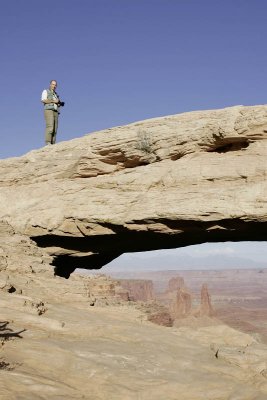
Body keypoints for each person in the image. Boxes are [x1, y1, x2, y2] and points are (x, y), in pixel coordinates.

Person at [41, 80, 63, 145]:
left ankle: (53, 144)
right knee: (50, 126)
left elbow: (56, 102)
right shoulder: (46, 91)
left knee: (55, 129)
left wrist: (59, 103)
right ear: (50, 84)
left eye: (55, 85)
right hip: (49, 110)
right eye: (53, 84)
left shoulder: (56, 94)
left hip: (56, 111)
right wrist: (54, 101)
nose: (54, 86)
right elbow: (43, 100)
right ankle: (48, 142)